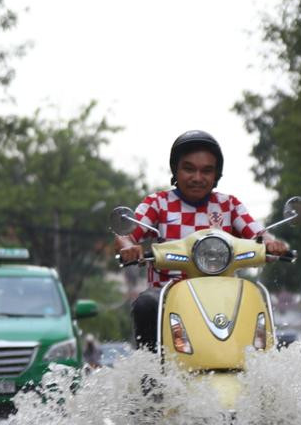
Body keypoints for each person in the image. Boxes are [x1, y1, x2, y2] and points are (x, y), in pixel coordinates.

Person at [115, 130, 289, 351]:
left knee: (254, 297)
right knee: (146, 304)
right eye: (189, 169)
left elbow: (258, 234)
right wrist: (129, 247)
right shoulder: (158, 203)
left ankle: (259, 367)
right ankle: (151, 378)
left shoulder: (229, 205)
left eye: (207, 171)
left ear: (216, 175)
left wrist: (271, 243)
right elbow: (125, 234)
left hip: (223, 297)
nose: (197, 178)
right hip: (169, 296)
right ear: (175, 170)